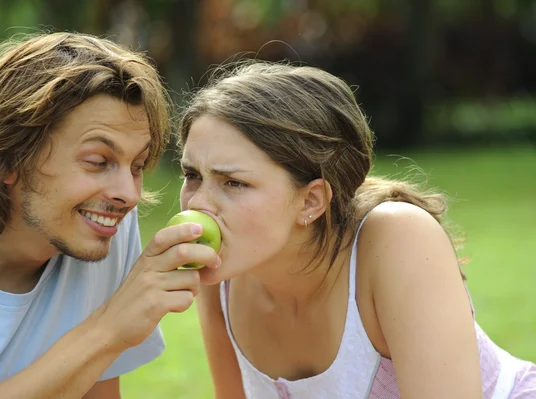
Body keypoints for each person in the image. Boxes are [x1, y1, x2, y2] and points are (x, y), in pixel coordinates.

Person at [177, 61, 536, 398]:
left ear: (311, 201)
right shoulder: (222, 277)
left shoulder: (398, 239)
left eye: (234, 183)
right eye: (192, 176)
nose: (197, 204)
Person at [0, 32, 220, 398]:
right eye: (98, 161)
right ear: (7, 158)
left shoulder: (104, 227)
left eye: (136, 165)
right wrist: (110, 328)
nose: (129, 195)